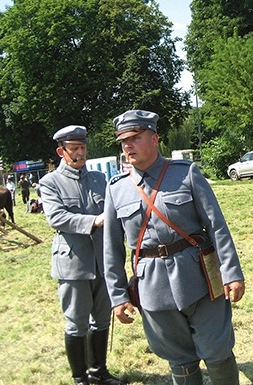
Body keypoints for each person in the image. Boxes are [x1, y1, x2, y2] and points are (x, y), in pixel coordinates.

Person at [103, 110, 245, 385]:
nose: (127, 146)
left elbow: (216, 225)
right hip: (153, 287)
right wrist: (118, 296)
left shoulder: (185, 173)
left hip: (200, 278)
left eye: (135, 138)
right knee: (179, 358)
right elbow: (111, 250)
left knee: (217, 350)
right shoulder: (116, 189)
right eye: (123, 141)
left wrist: (232, 273)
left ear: (154, 139)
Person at [39, 125, 125, 385]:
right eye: (74, 148)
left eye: (83, 148)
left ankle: (99, 372)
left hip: (102, 261)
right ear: (61, 151)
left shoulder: (100, 179)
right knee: (77, 322)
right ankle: (80, 378)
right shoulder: (50, 182)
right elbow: (57, 217)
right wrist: (94, 221)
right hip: (73, 263)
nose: (80, 153)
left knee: (101, 319)